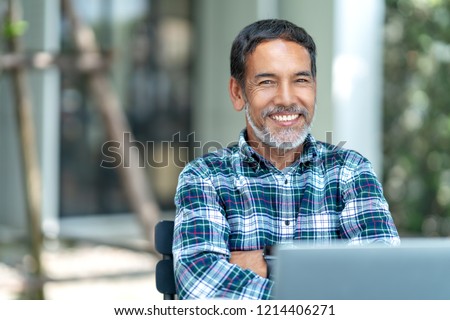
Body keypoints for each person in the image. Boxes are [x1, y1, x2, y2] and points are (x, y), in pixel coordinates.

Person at [172, 19, 400, 300]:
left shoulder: (350, 172)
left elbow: (382, 280)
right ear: (237, 92)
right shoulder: (204, 177)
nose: (286, 98)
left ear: (314, 88)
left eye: (300, 80)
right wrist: (326, 290)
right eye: (267, 82)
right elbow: (202, 286)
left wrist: (266, 263)